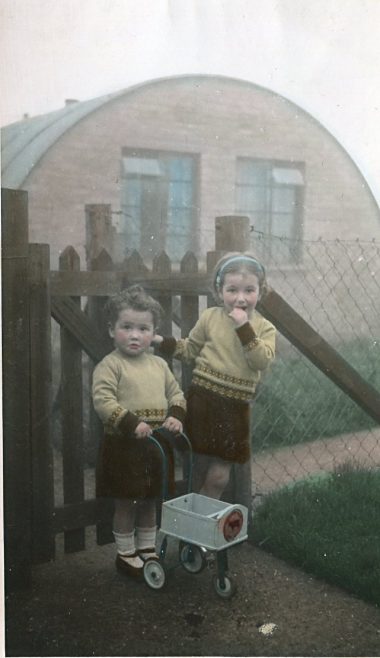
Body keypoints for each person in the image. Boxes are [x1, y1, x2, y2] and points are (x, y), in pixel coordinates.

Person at [153, 252, 275, 502]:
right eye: (232, 290)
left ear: (260, 292)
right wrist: (159, 342)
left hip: (234, 408)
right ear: (219, 292)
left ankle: (204, 525)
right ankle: (191, 529)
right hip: (203, 401)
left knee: (219, 476)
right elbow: (189, 349)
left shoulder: (264, 327)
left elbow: (261, 360)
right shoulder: (210, 318)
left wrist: (244, 328)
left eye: (249, 290)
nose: (240, 298)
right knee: (195, 468)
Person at [92, 285, 186, 578]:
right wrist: (132, 423)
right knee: (127, 500)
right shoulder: (111, 365)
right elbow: (103, 401)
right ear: (112, 330)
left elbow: (176, 394)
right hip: (124, 446)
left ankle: (147, 548)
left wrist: (176, 416)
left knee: (150, 498)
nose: (135, 335)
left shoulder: (159, 364)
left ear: (153, 332)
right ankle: (125, 553)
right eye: (127, 327)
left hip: (156, 444)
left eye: (143, 329)